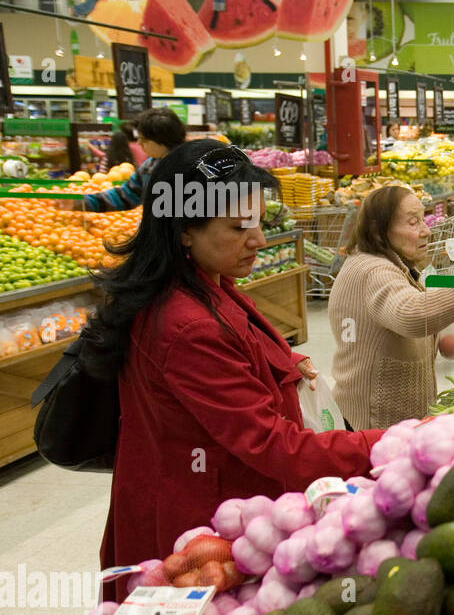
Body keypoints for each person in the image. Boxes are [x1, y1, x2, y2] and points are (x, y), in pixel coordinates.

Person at [79, 140, 383, 589]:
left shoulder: (199, 284)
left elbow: (232, 354)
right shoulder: (185, 324)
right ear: (184, 229)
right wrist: (389, 443)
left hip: (203, 505)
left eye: (257, 221)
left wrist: (282, 362)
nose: (258, 239)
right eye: (239, 227)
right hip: (198, 538)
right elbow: (272, 444)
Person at [330, 185, 454, 430]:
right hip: (372, 427)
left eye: (423, 220)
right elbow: (412, 315)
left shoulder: (391, 266)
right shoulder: (373, 271)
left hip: (393, 423)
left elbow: (413, 317)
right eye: (413, 223)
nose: (425, 231)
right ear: (377, 231)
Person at [83, 108, 187, 213]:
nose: (139, 143)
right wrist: (83, 202)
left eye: (144, 139)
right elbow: (126, 195)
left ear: (161, 139)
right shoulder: (149, 166)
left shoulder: (192, 165)